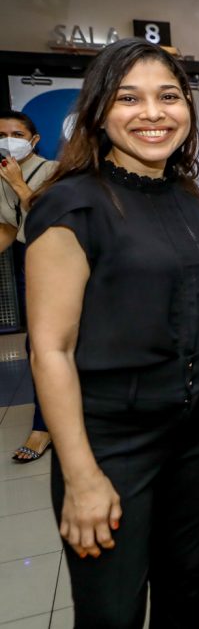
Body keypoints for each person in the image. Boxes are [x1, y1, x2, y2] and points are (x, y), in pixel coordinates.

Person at [24, 38, 199, 628]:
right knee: (111, 614)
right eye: (129, 98)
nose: (153, 112)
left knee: (186, 597)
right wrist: (82, 476)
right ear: (98, 111)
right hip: (112, 438)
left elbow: (186, 306)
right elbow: (51, 350)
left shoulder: (187, 198)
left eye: (169, 96)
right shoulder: (72, 206)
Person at [1, 110, 58, 463]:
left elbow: (46, 218)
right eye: (2, 133)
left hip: (59, 262)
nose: (9, 139)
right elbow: (9, 227)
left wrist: (20, 183)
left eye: (17, 133)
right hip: (28, 265)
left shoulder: (53, 171)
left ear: (34, 140)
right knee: (37, 344)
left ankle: (48, 424)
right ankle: (44, 424)